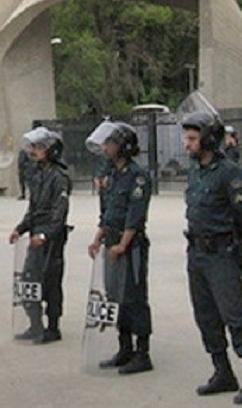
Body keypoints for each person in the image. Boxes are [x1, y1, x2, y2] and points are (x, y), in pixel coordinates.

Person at [180, 95, 242, 404]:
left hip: (221, 254)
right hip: (196, 252)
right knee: (205, 315)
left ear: (207, 139)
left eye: (192, 138)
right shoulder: (195, 171)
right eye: (186, 138)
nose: (187, 143)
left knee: (234, 315)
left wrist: (237, 235)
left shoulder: (229, 172)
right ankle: (222, 371)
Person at [86, 120, 153, 374]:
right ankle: (124, 348)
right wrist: (98, 238)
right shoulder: (112, 176)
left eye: (110, 143)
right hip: (112, 243)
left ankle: (142, 353)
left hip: (131, 247)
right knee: (116, 297)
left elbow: (135, 215)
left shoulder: (138, 177)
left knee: (135, 298)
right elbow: (110, 213)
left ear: (123, 146)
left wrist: (123, 244)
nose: (105, 148)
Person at [9, 126, 71, 344]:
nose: (34, 151)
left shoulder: (59, 177)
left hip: (51, 238)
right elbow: (33, 209)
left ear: (51, 150)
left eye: (39, 147)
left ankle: (53, 327)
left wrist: (45, 235)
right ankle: (35, 324)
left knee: (51, 282)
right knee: (29, 280)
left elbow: (59, 212)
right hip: (36, 235)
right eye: (33, 147)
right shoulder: (37, 175)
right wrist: (20, 228)